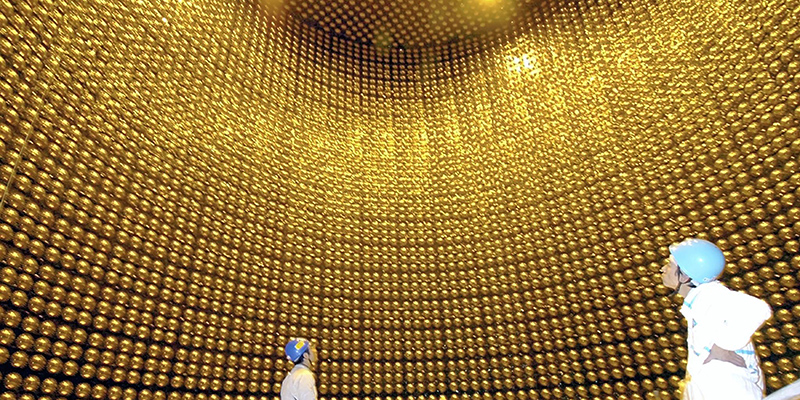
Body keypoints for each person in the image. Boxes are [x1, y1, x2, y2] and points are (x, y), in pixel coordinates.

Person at [661, 238, 773, 399]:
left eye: (669, 264)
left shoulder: (709, 295)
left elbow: (757, 309)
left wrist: (722, 345)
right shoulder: (699, 303)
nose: (663, 269)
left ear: (685, 276)